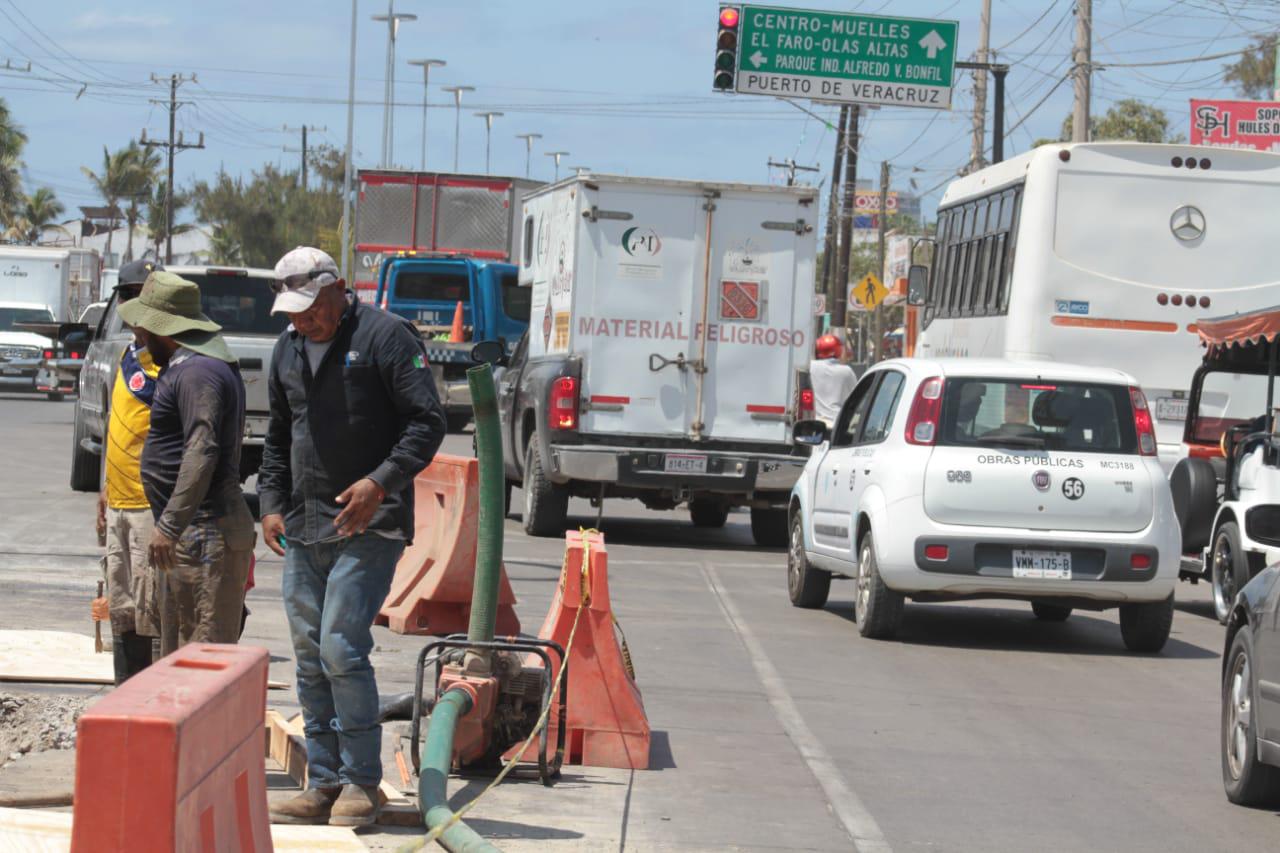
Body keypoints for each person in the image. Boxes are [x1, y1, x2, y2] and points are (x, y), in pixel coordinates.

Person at [261, 247, 446, 827]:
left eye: (312, 308)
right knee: (310, 653)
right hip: (305, 525)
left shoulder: (387, 338)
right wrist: (270, 505)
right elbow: (277, 435)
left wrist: (379, 483)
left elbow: (427, 421)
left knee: (341, 646)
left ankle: (364, 783)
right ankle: (325, 781)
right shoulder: (286, 350)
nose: (304, 321)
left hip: (371, 522)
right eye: (293, 313)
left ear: (339, 288)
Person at [120, 271, 257, 653]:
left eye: (145, 329)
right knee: (179, 652)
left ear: (164, 329)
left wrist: (169, 524)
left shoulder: (198, 371)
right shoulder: (187, 367)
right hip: (192, 534)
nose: (140, 338)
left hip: (203, 533)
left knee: (198, 659)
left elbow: (203, 449)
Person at [94, 258, 164, 684]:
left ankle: (149, 697)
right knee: (122, 608)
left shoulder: (172, 358)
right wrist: (104, 487)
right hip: (119, 503)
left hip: (148, 507)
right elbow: (115, 423)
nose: (134, 302)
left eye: (144, 293)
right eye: (128, 293)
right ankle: (124, 696)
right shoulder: (128, 354)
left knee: (151, 607)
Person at [810, 333, 858, 426]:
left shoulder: (811, 367)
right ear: (838, 350)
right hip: (838, 425)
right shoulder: (847, 371)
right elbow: (855, 399)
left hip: (815, 423)